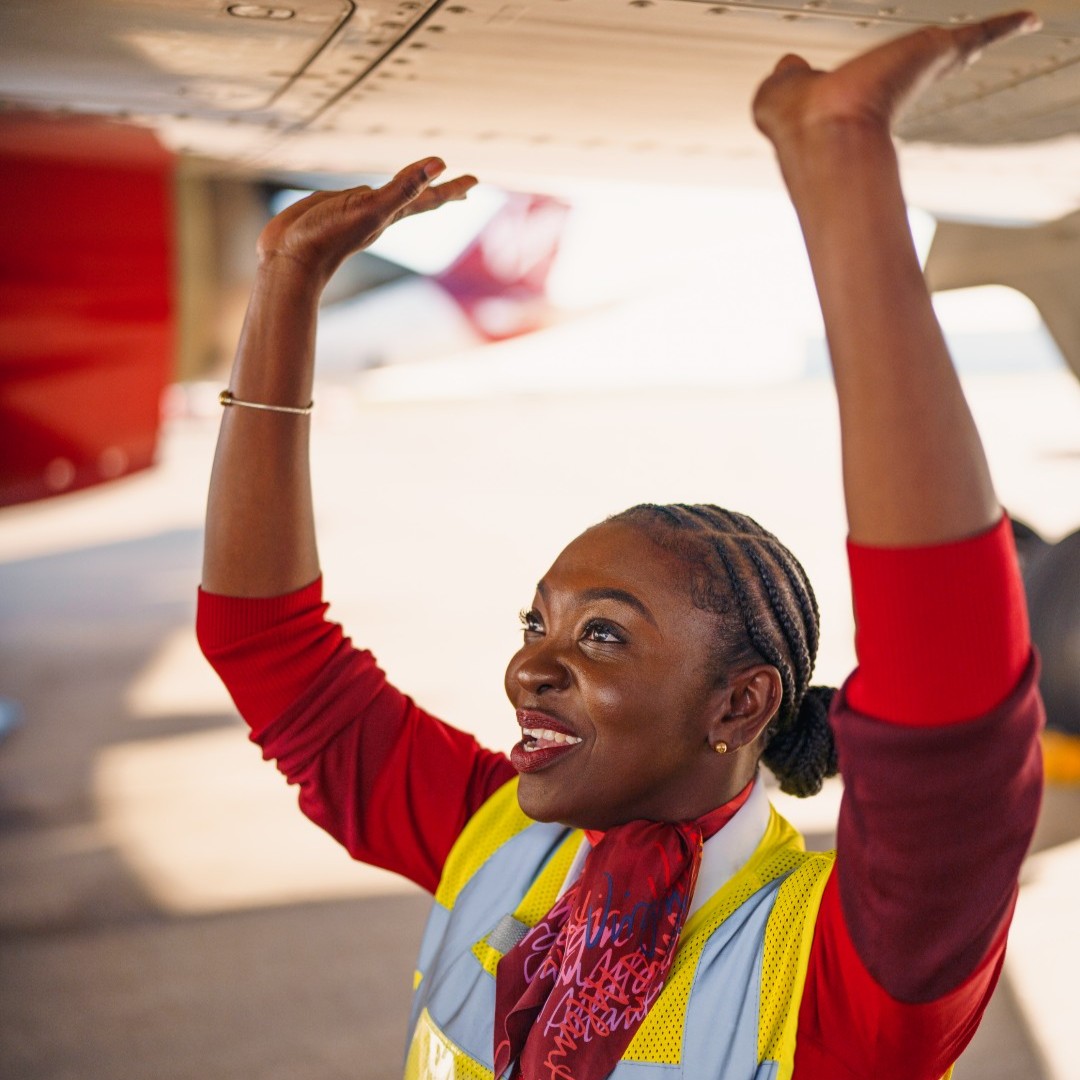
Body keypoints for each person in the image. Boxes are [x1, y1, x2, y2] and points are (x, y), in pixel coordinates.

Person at [197, 12, 1045, 1079]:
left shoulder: (836, 978)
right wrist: (285, 287)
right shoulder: (501, 838)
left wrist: (843, 171)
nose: (527, 669)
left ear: (739, 704)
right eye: (536, 623)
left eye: (602, 635)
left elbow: (953, 732)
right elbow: (270, 649)